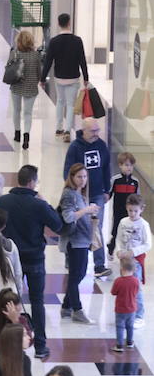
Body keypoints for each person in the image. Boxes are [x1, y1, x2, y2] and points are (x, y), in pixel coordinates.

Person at [0, 165, 62, 360]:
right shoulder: (38, 205)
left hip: (9, 259)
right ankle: (40, 345)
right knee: (37, 301)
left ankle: (4, 342)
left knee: (7, 301)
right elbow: (57, 224)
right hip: (34, 259)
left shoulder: (3, 201)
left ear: (19, 180)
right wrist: (44, 202)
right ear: (32, 182)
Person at [64, 118, 112, 277]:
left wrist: (107, 190)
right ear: (83, 131)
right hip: (79, 195)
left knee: (96, 227)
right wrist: (73, 191)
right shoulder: (75, 148)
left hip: (98, 194)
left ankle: (99, 265)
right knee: (75, 227)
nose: (96, 133)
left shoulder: (101, 145)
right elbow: (67, 171)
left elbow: (106, 168)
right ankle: (70, 259)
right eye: (93, 131)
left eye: (98, 130)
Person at [58, 164, 99, 325]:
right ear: (72, 177)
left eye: (85, 176)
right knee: (76, 275)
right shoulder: (69, 194)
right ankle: (77, 309)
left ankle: (67, 306)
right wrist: (87, 210)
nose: (83, 180)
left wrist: (90, 213)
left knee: (78, 274)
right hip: (74, 241)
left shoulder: (78, 193)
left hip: (82, 240)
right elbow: (68, 217)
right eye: (79, 177)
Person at [41, 13, 89, 141]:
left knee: (60, 102)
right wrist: (86, 77)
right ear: (69, 23)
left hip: (59, 78)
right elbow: (82, 60)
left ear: (58, 24)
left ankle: (58, 128)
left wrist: (42, 79)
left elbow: (48, 61)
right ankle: (67, 131)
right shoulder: (77, 41)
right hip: (73, 77)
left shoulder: (54, 41)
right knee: (70, 104)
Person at [113, 193, 150, 321]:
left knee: (136, 288)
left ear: (141, 209)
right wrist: (119, 251)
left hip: (136, 262)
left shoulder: (144, 225)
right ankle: (126, 312)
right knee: (125, 287)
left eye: (135, 211)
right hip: (124, 260)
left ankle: (139, 315)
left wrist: (133, 252)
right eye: (130, 210)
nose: (132, 213)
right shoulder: (123, 222)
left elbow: (148, 244)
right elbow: (118, 239)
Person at [6, 28, 44, 149]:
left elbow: (8, 68)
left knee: (16, 110)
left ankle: (17, 133)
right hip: (31, 87)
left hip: (16, 85)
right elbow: (39, 71)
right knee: (28, 113)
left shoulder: (14, 53)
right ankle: (26, 136)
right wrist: (37, 80)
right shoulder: (36, 55)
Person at [110, 253, 140, 352]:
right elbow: (136, 293)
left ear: (122, 269)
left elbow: (113, 292)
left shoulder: (118, 281)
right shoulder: (136, 281)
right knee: (130, 326)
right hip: (132, 309)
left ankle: (119, 345)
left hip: (120, 309)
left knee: (120, 327)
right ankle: (130, 342)